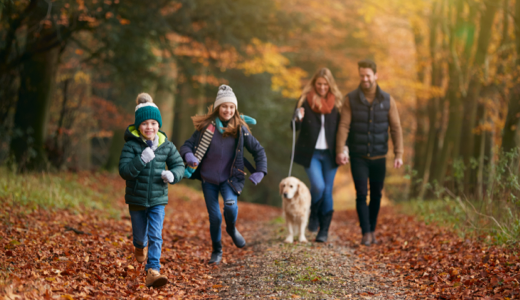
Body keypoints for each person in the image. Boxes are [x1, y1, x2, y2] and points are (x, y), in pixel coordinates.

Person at [180, 84, 267, 265]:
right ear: (218, 107)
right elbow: (186, 145)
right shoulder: (206, 128)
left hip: (230, 179)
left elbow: (258, 151)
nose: (228, 110)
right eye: (224, 106)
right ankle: (217, 250)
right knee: (215, 217)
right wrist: (189, 156)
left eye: (231, 107)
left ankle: (232, 229)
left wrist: (260, 171)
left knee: (230, 206)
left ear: (235, 109)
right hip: (208, 180)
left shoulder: (240, 129)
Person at [119, 93, 185, 287]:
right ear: (138, 126)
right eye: (145, 123)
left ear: (159, 125)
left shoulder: (166, 146)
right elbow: (124, 171)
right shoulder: (131, 145)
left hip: (158, 199)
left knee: (156, 235)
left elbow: (179, 166)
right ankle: (139, 247)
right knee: (141, 237)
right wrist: (141, 159)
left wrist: (172, 175)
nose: (150, 127)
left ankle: (153, 271)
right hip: (136, 200)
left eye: (153, 123)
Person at [336, 59, 403, 246]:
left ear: (375, 75)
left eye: (367, 75)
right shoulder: (351, 99)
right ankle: (365, 232)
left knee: (376, 195)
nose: (364, 79)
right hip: (358, 156)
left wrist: (399, 154)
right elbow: (343, 125)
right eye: (361, 75)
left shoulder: (387, 100)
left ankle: (372, 229)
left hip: (380, 156)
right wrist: (341, 149)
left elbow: (396, 128)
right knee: (361, 194)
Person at [291, 68, 343, 243]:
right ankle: (313, 213)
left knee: (328, 190)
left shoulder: (337, 104)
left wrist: (344, 149)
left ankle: (324, 230)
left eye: (325, 85)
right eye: (319, 84)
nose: (322, 88)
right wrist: (298, 118)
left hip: (330, 153)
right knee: (318, 186)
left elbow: (344, 129)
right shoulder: (305, 101)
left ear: (330, 85)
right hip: (311, 153)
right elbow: (293, 127)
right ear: (314, 84)